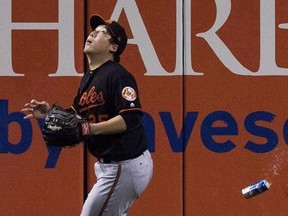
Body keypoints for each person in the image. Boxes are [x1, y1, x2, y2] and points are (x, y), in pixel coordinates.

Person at [21, 14, 153, 216]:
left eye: (102, 33)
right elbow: (75, 116)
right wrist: (49, 111)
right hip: (115, 167)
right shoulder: (90, 77)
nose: (92, 33)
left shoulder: (117, 74)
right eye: (94, 30)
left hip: (124, 166)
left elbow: (131, 117)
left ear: (113, 48)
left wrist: (91, 128)